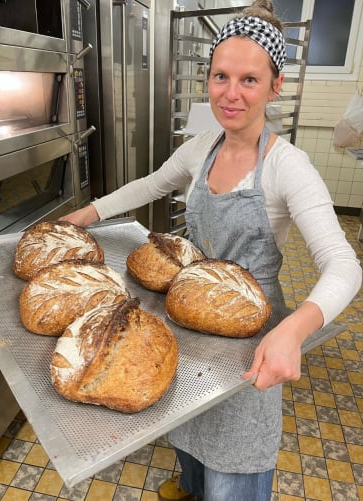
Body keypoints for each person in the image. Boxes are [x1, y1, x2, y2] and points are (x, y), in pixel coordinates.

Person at [59, 1, 362, 499]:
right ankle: (192, 486)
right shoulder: (202, 147)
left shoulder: (288, 167)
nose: (232, 93)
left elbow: (343, 265)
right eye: (221, 76)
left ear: (275, 85)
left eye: (249, 79)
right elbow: (152, 184)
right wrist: (88, 215)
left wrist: (294, 328)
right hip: (188, 313)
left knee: (235, 457)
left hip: (249, 327)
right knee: (188, 424)